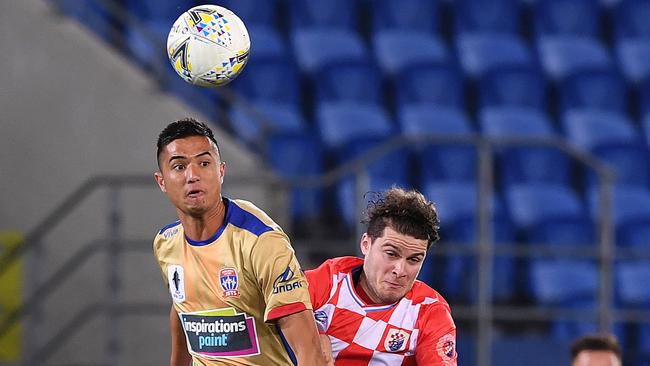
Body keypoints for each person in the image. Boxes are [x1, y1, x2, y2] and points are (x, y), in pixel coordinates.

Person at [152, 118, 326, 366]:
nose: (192, 176)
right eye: (179, 167)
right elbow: (182, 306)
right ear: (162, 182)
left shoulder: (261, 241)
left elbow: (310, 354)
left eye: (204, 163)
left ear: (221, 171)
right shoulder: (165, 243)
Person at [306, 187, 457, 365]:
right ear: (365, 244)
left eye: (414, 259)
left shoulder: (429, 311)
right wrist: (310, 332)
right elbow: (273, 310)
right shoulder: (330, 279)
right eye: (391, 254)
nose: (400, 270)